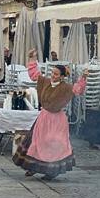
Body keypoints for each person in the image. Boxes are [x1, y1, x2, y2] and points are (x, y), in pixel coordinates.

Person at [13, 49, 86, 179]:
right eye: (52, 73)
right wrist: (32, 58)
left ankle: (51, 171)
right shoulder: (45, 82)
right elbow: (34, 74)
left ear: (62, 77)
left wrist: (84, 78)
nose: (53, 75)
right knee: (36, 142)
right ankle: (33, 166)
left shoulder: (66, 87)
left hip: (57, 120)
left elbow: (78, 89)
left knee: (54, 143)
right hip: (44, 117)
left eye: (56, 74)